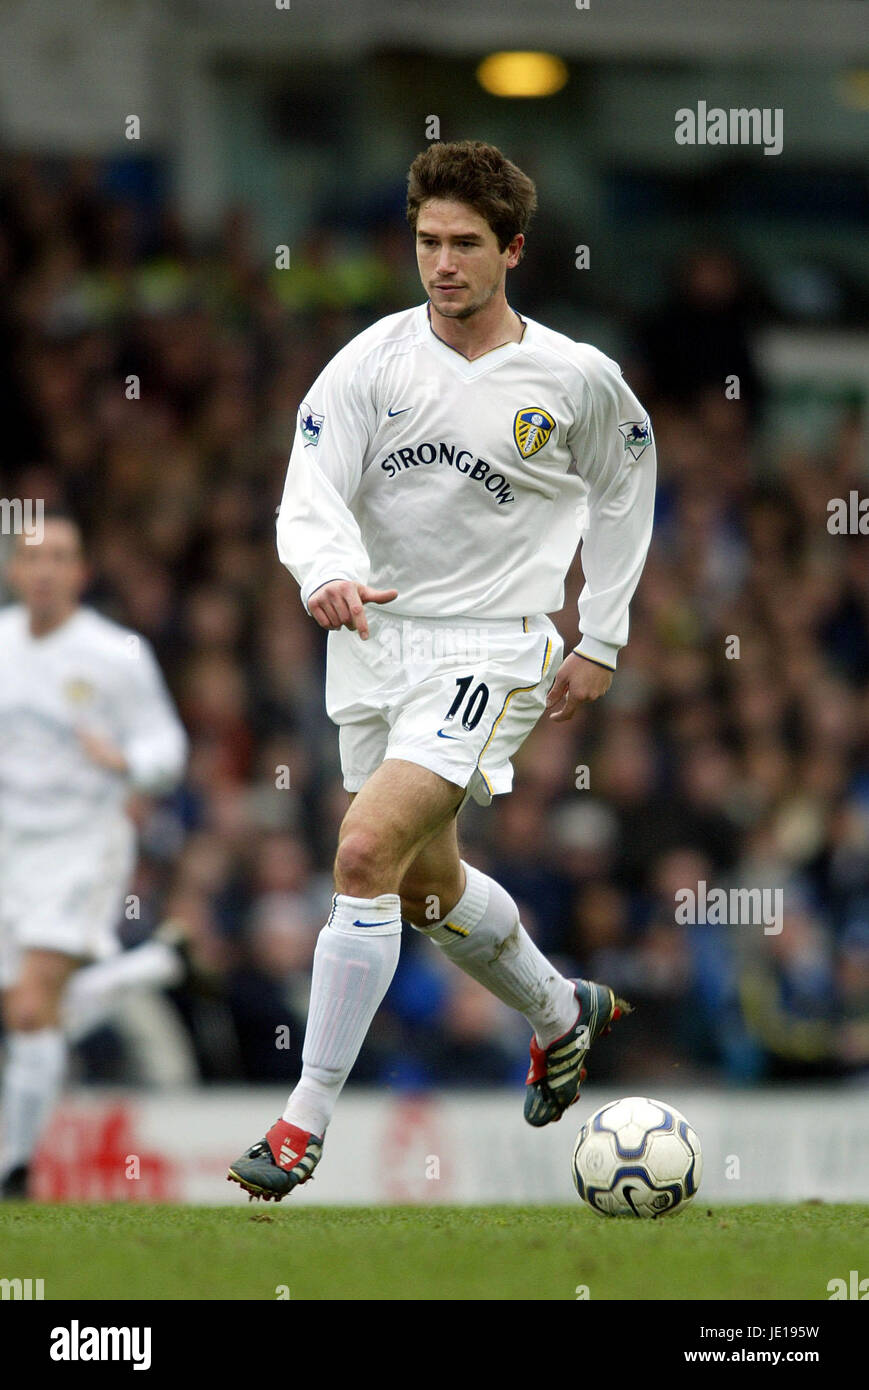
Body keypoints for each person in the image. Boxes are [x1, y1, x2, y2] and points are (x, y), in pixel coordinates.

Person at [228, 140, 656, 1201]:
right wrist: (323, 571)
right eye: (427, 242)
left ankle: (300, 1120)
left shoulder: (572, 379)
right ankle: (561, 1012)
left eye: (465, 244)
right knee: (422, 891)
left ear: (511, 250)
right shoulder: (370, 365)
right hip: (377, 645)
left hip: (493, 647)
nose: (443, 264)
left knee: (363, 847)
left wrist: (599, 635)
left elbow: (624, 488)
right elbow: (308, 491)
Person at [0, 512, 188, 1197]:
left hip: (82, 842)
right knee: (25, 1008)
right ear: (15, 571)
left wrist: (130, 761)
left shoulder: (117, 655)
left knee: (30, 1006)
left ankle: (14, 1171)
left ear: (80, 573)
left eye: (61, 557)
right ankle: (148, 967)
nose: (45, 570)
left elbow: (168, 750)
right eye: (33, 557)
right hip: (7, 849)